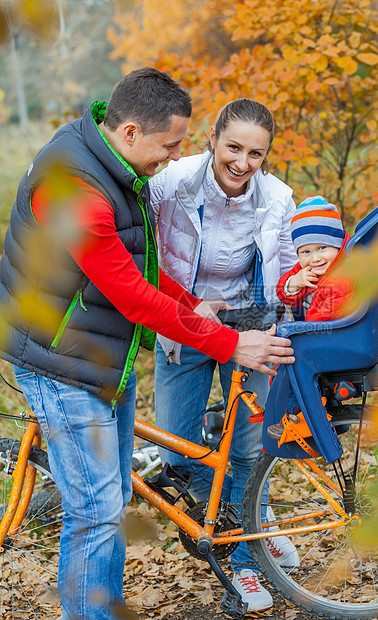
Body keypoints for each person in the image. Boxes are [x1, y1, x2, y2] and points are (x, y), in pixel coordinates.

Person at [0, 68, 294, 620]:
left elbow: (139, 265)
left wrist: (188, 302)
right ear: (131, 131)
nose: (176, 155)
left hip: (102, 353)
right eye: (171, 145)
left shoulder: (113, 163)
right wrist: (229, 343)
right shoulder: (75, 188)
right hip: (62, 363)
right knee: (94, 510)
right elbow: (133, 296)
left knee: (109, 502)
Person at [149, 98, 297, 611]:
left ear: (267, 156)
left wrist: (299, 282)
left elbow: (284, 272)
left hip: (252, 330)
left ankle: (245, 553)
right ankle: (250, 512)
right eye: (233, 147)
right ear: (211, 139)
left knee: (250, 449)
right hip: (185, 322)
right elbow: (142, 257)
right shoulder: (168, 184)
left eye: (256, 153)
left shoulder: (278, 198)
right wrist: (188, 309)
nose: (242, 162)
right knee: (177, 452)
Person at [268, 196, 353, 440]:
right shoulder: (310, 270)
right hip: (324, 340)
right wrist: (296, 282)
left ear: (337, 245)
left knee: (293, 366)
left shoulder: (338, 279)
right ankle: (332, 419)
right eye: (305, 251)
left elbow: (318, 320)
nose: (314, 258)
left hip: (331, 342)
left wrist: (295, 337)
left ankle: (297, 416)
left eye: (322, 248)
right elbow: (283, 290)